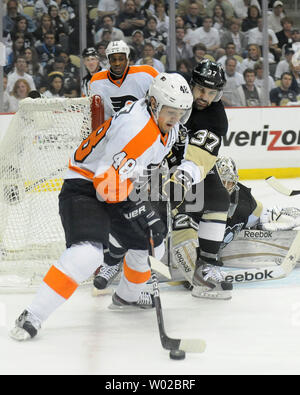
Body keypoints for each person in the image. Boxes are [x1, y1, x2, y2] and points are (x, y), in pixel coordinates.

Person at [10, 72, 193, 341]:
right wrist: (139, 210)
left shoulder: (166, 124)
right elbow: (105, 185)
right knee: (88, 255)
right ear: (154, 103)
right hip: (84, 185)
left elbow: (128, 175)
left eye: (181, 113)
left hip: (115, 185)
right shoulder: (136, 129)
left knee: (153, 243)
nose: (175, 119)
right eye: (170, 111)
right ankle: (33, 314)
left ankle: (128, 296)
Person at [166, 59, 233, 300]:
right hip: (156, 161)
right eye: (201, 90)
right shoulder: (174, 89)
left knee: (218, 197)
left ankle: (206, 265)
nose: (205, 97)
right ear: (191, 84)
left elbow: (198, 160)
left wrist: (180, 182)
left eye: (211, 92)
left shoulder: (216, 119)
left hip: (187, 168)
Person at [90, 40, 159, 121]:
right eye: (113, 59)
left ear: (127, 59)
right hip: (117, 127)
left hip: (145, 124)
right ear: (108, 60)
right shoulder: (97, 81)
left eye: (121, 59)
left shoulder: (147, 73)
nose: (117, 63)